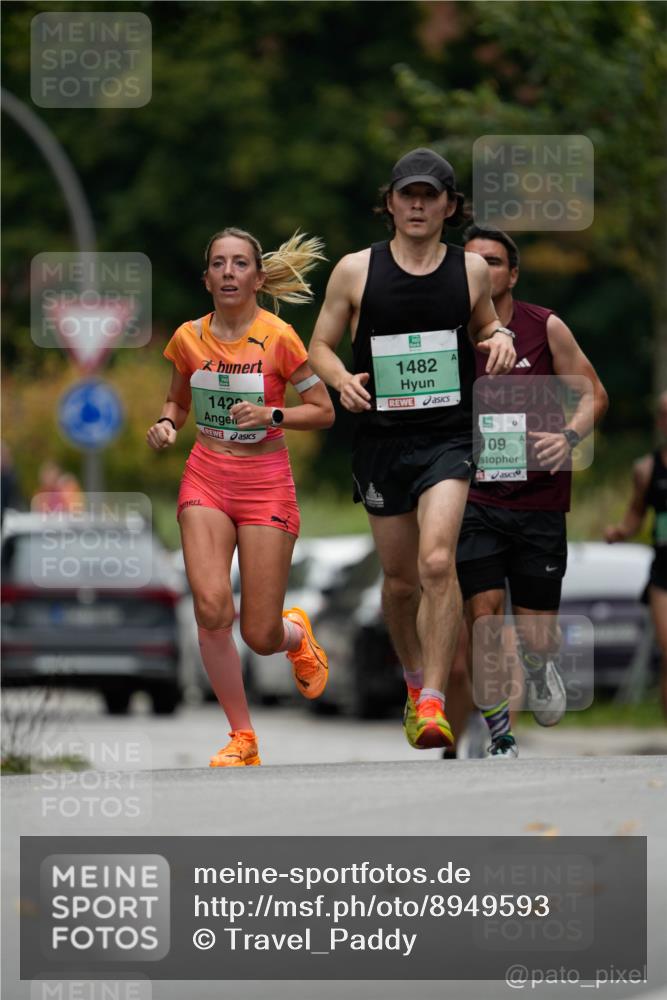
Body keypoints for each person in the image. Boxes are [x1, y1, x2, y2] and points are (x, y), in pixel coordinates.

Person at [309, 148, 516, 752]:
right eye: (408, 195)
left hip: (449, 437)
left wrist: (498, 336)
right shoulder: (355, 270)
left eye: (431, 196)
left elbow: (482, 324)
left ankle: (433, 704)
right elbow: (320, 344)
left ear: (450, 206)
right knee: (400, 584)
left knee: (435, 563)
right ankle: (414, 681)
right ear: (390, 203)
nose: (418, 205)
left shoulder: (470, 271)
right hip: (382, 442)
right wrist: (341, 380)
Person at [147, 228, 335, 767]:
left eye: (240, 264)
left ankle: (296, 635)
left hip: (266, 484)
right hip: (206, 477)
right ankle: (242, 738)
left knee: (257, 633)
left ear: (257, 276)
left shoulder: (279, 337)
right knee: (211, 610)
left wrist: (273, 414)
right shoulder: (188, 338)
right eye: (219, 264)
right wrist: (165, 424)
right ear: (206, 277)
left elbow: (323, 411)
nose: (229, 272)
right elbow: (175, 402)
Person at [456, 224, 609, 757]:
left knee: (538, 634)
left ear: (512, 273)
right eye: (472, 261)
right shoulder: (450, 331)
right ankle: (500, 734)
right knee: (484, 614)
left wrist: (568, 436)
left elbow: (594, 395)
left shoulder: (544, 327)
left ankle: (542, 666)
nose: (482, 269)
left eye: (493, 261)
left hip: (540, 500)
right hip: (475, 497)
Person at [605, 391, 667, 717]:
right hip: (662, 573)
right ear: (660, 422)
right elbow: (635, 514)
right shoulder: (646, 469)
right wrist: (620, 531)